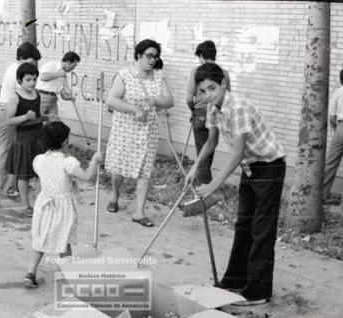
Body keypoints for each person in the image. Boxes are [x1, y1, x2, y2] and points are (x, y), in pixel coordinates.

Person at [185, 63, 286, 305]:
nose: (208, 94)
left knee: (261, 230)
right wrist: (194, 167)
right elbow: (210, 143)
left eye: (212, 88)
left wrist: (212, 186)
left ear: (223, 85)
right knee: (243, 225)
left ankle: (258, 291)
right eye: (203, 90)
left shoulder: (238, 107)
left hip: (269, 167)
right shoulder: (213, 107)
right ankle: (235, 280)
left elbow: (237, 153)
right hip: (250, 168)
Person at [23, 121, 103, 288]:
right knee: (63, 241)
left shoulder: (38, 160)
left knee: (40, 240)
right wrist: (95, 161)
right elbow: (87, 176)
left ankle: (30, 273)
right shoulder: (68, 162)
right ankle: (70, 276)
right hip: (62, 206)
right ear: (65, 141)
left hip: (43, 205)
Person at [105, 39, 174, 228]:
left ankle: (139, 212)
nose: (152, 60)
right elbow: (111, 100)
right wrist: (134, 109)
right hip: (125, 132)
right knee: (119, 169)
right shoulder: (125, 75)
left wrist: (158, 101)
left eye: (155, 56)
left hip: (148, 135)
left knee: (145, 172)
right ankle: (114, 197)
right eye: (149, 55)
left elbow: (170, 101)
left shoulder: (159, 78)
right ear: (139, 55)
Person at [0, 42, 41, 197]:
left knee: (14, 151)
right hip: (6, 110)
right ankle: (1, 188)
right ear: (21, 58)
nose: (32, 66)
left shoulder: (13, 67)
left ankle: (15, 185)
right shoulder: (17, 72)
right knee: (5, 151)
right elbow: (22, 96)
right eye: (31, 62)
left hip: (5, 108)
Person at [186, 40, 231, 185]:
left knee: (203, 150)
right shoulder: (224, 72)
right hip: (217, 112)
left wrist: (193, 109)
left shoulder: (196, 71)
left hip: (200, 113)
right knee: (209, 149)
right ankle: (203, 182)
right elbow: (227, 96)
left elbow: (188, 98)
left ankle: (205, 186)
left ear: (201, 56)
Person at [5, 63, 43, 217]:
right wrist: (26, 117)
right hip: (23, 140)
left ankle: (40, 202)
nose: (32, 82)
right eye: (28, 79)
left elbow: (38, 116)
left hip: (38, 139)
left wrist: (48, 118)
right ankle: (26, 205)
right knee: (24, 174)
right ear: (20, 80)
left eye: (34, 79)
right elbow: (9, 120)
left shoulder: (37, 94)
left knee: (41, 173)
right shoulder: (15, 97)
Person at [36, 51, 80, 118]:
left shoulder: (64, 75)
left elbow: (62, 92)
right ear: (68, 62)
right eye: (73, 66)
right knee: (38, 120)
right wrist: (58, 74)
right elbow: (42, 77)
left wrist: (68, 97)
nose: (73, 68)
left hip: (53, 100)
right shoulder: (51, 65)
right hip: (42, 97)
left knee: (54, 123)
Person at [323, 69, 343, 201]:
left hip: (341, 128)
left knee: (330, 163)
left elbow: (331, 117)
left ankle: (322, 196)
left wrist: (337, 129)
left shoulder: (338, 92)